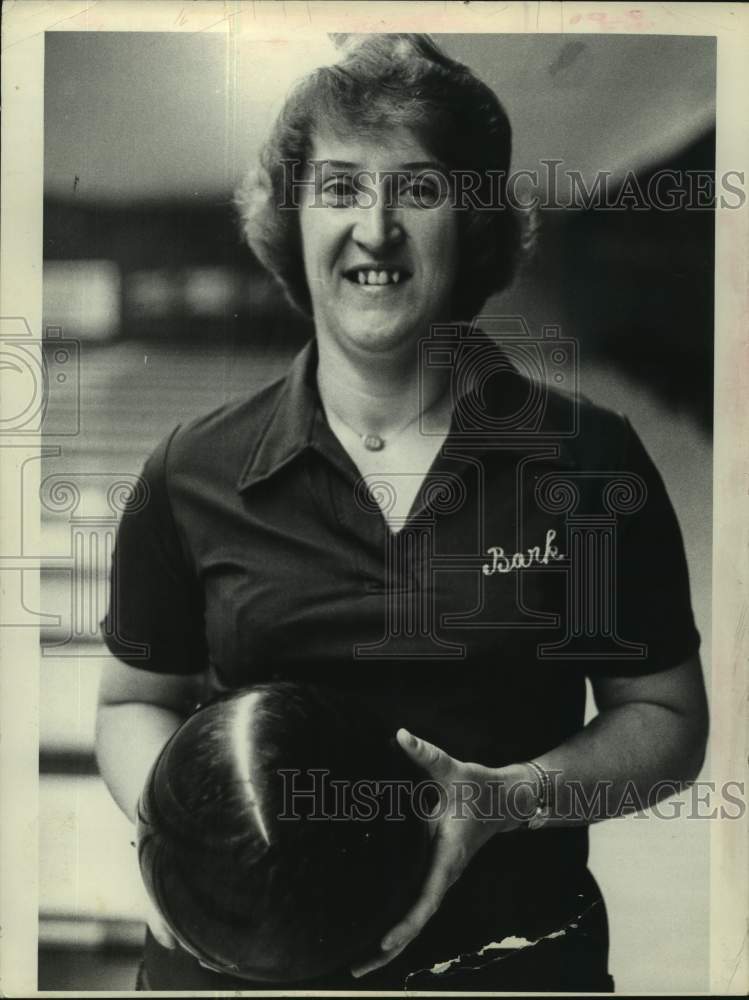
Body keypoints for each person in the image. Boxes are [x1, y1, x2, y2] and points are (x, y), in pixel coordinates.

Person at [96, 34, 708, 991]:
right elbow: (133, 700)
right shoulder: (191, 471)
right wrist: (177, 836)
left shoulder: (585, 462)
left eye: (417, 190)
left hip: (507, 962)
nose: (374, 228)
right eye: (339, 187)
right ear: (292, 219)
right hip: (238, 966)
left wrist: (507, 800)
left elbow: (662, 717)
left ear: (473, 223)